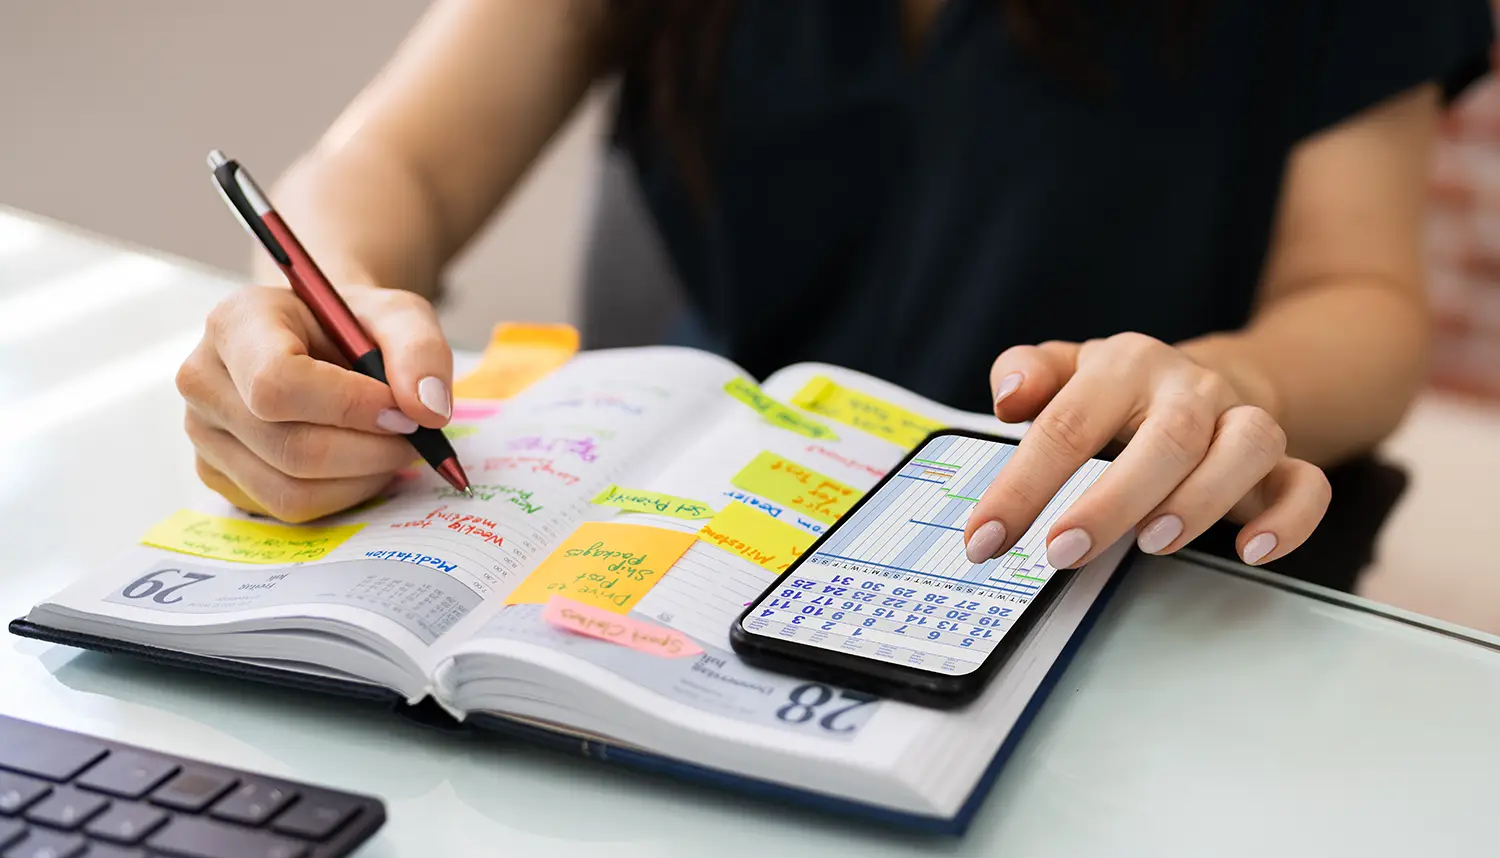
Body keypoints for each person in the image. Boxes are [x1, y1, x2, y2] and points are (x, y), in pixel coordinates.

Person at [176, 0, 1494, 586]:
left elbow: (1361, 298)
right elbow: (391, 160)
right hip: (694, 558)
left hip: (1099, 569)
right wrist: (313, 308)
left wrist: (1243, 382)